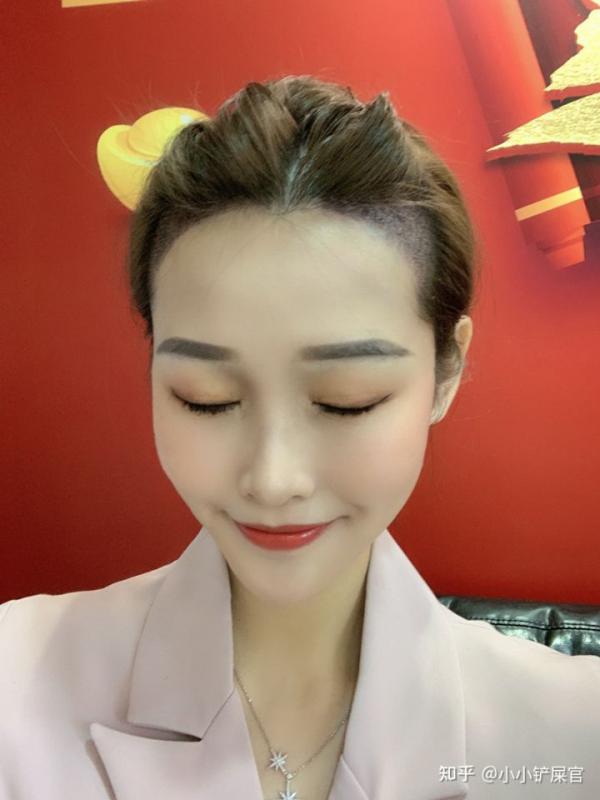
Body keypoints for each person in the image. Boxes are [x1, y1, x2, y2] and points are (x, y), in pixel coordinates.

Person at [1, 75, 599, 800]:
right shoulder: (16, 682)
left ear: (446, 371)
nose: (273, 478)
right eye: (206, 399)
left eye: (347, 401)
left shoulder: (573, 737)